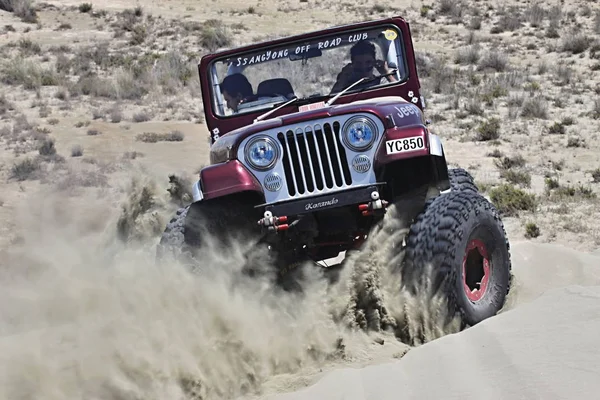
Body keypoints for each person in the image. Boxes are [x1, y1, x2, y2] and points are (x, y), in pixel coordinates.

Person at [330, 39, 398, 94]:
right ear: (352, 64)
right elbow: (331, 101)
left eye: (368, 62)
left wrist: (387, 74)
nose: (363, 67)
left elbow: (398, 92)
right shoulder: (346, 86)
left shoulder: (382, 82)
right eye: (359, 63)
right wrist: (342, 78)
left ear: (374, 62)